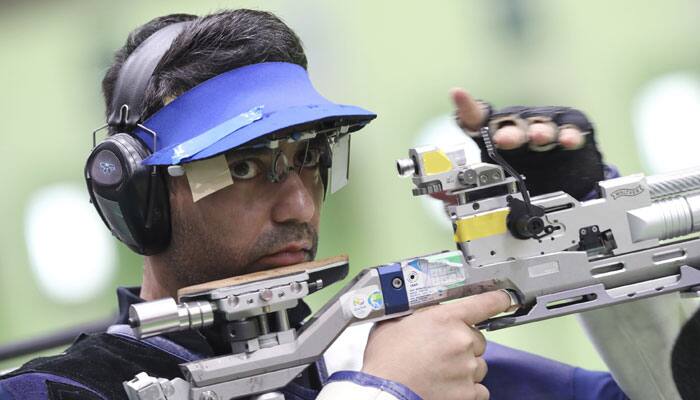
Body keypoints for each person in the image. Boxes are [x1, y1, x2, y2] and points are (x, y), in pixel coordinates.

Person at [0, 9, 632, 400]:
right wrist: (384, 395)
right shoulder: (56, 392)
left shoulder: (378, 352)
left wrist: (585, 220)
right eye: (245, 168)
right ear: (138, 198)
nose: (298, 203)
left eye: (311, 158)